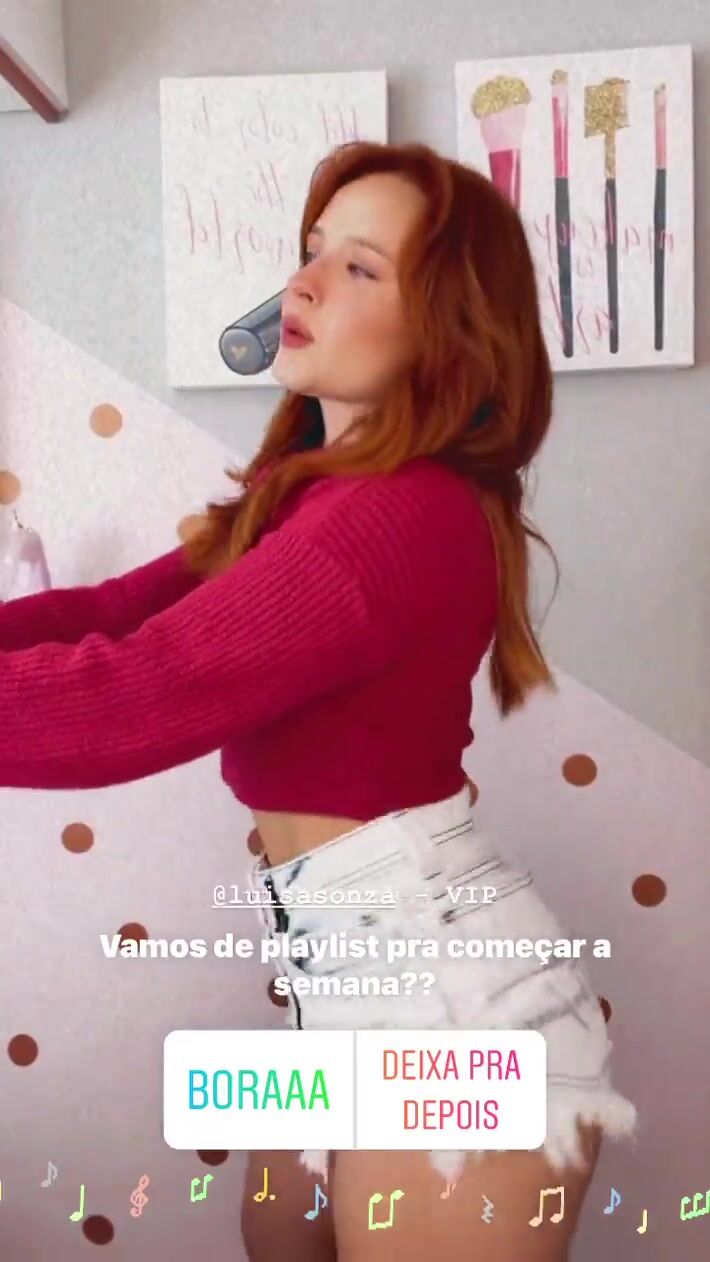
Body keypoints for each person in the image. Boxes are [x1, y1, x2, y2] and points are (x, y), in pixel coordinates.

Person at [0, 140, 636, 1260]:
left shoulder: (398, 515)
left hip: (448, 997)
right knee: (276, 1237)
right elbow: (115, 614)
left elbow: (131, 693)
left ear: (446, 326)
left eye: (358, 267)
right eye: (310, 251)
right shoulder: (310, 498)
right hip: (339, 975)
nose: (301, 283)